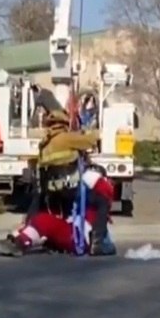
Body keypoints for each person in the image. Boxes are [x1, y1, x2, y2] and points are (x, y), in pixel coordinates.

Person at [32, 108, 115, 256]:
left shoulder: (44, 144)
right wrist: (96, 132)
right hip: (69, 187)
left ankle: (57, 241)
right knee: (102, 201)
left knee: (64, 217)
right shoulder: (65, 138)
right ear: (64, 123)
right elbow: (89, 142)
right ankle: (97, 241)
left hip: (51, 192)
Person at [0, 167, 115, 256]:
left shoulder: (100, 194)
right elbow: (70, 195)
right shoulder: (88, 196)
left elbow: (100, 204)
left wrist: (96, 241)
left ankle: (19, 244)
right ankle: (15, 240)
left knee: (44, 221)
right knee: (40, 220)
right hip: (75, 233)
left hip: (80, 237)